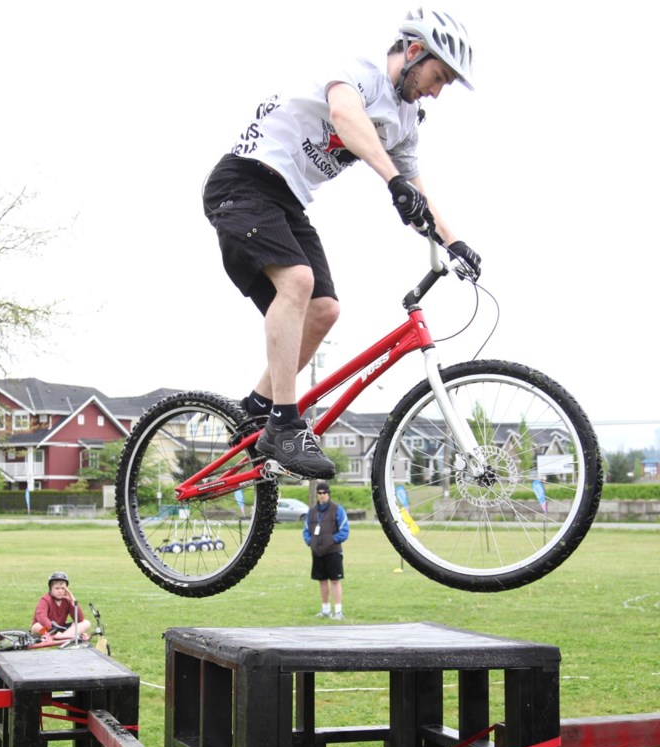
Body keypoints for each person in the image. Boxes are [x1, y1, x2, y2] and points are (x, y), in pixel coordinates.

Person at [202, 8, 480, 480]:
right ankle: (285, 425)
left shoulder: (406, 121)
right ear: (414, 52)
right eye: (438, 77)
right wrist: (392, 180)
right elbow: (345, 114)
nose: (437, 90)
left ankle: (258, 406)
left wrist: (454, 243)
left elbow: (417, 192)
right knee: (298, 281)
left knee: (325, 309)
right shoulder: (360, 72)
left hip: (287, 200)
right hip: (244, 182)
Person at [303, 482, 350, 620]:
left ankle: (338, 612)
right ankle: (325, 610)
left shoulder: (337, 509)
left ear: (328, 494)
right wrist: (310, 542)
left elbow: (344, 531)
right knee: (322, 581)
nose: (322, 495)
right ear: (317, 494)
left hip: (333, 552)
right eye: (320, 493)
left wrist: (331, 540)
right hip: (317, 552)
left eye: (324, 493)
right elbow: (306, 530)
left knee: (335, 581)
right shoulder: (311, 512)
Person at [31, 571, 91, 642]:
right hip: (48, 628)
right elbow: (41, 616)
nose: (60, 591)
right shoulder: (45, 600)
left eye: (63, 588)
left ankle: (62, 637)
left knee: (86, 623)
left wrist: (72, 600)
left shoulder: (67, 600)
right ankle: (66, 636)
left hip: (60, 629)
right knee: (36, 627)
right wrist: (52, 628)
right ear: (50, 589)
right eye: (57, 588)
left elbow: (79, 619)